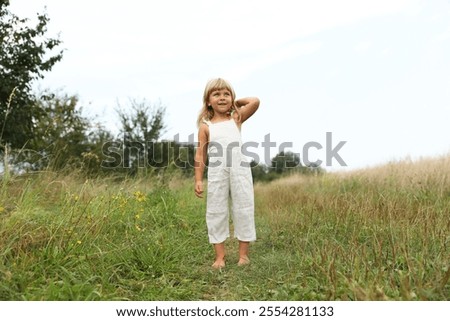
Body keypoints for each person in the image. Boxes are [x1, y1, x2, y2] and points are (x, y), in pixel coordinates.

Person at [194, 78, 260, 269]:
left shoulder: (236, 118)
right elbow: (200, 154)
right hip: (217, 172)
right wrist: (198, 179)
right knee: (216, 210)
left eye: (226, 94)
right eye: (216, 94)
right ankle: (220, 257)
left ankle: (243, 256)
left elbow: (255, 101)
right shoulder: (206, 126)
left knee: (244, 208)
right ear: (208, 100)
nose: (222, 98)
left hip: (240, 170)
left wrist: (236, 103)